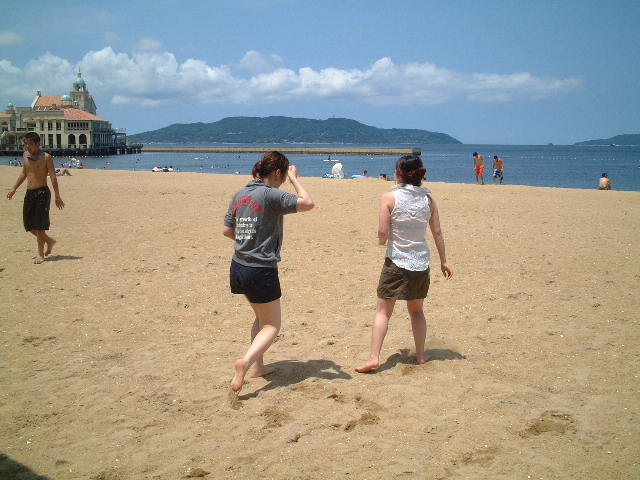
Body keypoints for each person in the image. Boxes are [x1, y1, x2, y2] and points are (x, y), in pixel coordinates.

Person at [224, 151, 315, 395]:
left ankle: (258, 367)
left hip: (238, 266)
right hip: (260, 270)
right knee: (272, 325)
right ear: (277, 173)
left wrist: (248, 243)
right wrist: (295, 178)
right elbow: (307, 203)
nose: (283, 180)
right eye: (283, 176)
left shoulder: (241, 193)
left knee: (260, 319)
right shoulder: (270, 194)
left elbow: (227, 230)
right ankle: (245, 363)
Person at [356, 155, 453, 373]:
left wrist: (381, 241)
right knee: (417, 312)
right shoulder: (428, 200)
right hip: (420, 262)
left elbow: (383, 231)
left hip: (396, 260)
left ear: (399, 173)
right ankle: (421, 355)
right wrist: (444, 261)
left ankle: (374, 358)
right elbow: (437, 232)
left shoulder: (389, 197)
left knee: (383, 312)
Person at [6, 132, 65, 264]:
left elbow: (53, 177)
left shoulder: (46, 157)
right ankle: (49, 241)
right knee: (28, 224)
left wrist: (57, 195)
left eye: (30, 144)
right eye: (26, 144)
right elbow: (24, 172)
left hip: (42, 193)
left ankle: (40, 254)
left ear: (38, 144)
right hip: (30, 193)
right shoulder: (25, 155)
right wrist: (14, 188)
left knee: (39, 225)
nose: (27, 146)